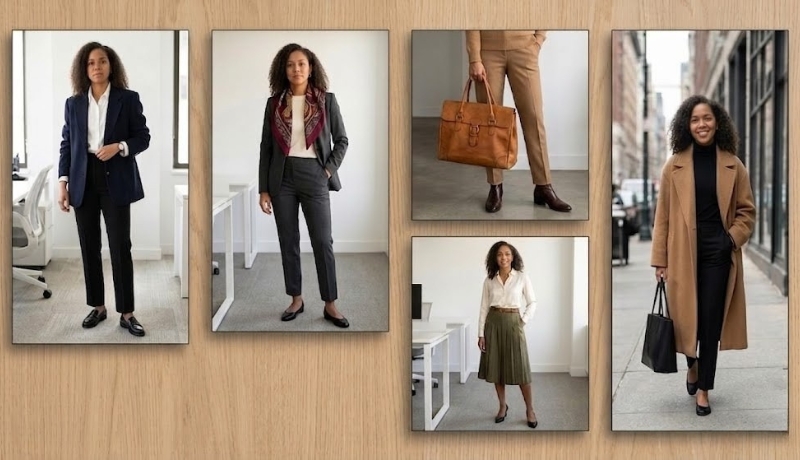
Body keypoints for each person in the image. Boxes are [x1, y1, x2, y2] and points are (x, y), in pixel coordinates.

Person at [651, 95, 755, 416]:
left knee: (710, 323)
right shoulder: (675, 165)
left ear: (717, 122)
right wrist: (660, 260)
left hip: (718, 253)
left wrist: (730, 239)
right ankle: (692, 366)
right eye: (695, 120)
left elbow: (747, 212)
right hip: (683, 253)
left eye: (706, 118)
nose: (701, 125)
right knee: (685, 322)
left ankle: (704, 390)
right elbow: (663, 216)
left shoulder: (733, 165)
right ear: (687, 125)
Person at [58, 42, 151, 337]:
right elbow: (67, 145)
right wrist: (63, 183)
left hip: (116, 177)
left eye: (102, 61)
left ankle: (127, 312)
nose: (96, 67)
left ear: (111, 66)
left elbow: (143, 137)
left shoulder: (128, 98)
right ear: (84, 69)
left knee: (120, 246)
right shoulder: (73, 104)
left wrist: (120, 147)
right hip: (82, 178)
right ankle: (97, 306)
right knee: (89, 246)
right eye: (91, 63)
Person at [258, 43, 350, 328]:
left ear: (311, 68)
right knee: (289, 241)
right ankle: (296, 298)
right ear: (283, 71)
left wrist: (326, 171)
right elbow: (266, 148)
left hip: (315, 175)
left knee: (323, 241)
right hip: (281, 178)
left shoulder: (326, 101)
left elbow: (342, 141)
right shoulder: (274, 104)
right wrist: (264, 189)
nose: (296, 69)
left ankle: (330, 303)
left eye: (301, 64)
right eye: (290, 65)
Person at [465, 30, 572, 214]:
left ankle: (543, 186)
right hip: (487, 50)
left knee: (534, 120)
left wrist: (537, 40)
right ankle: (495, 186)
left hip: (524, 48)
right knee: (490, 123)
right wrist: (475, 57)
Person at [477, 241, 538, 428]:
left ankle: (530, 409)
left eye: (507, 254)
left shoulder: (522, 277)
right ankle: (502, 406)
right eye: (499, 254)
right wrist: (481, 334)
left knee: (521, 371)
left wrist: (523, 320)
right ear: (495, 258)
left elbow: (532, 302)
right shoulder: (489, 280)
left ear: (513, 256)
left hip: (513, 323)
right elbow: (483, 308)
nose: (504, 257)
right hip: (493, 323)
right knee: (497, 369)